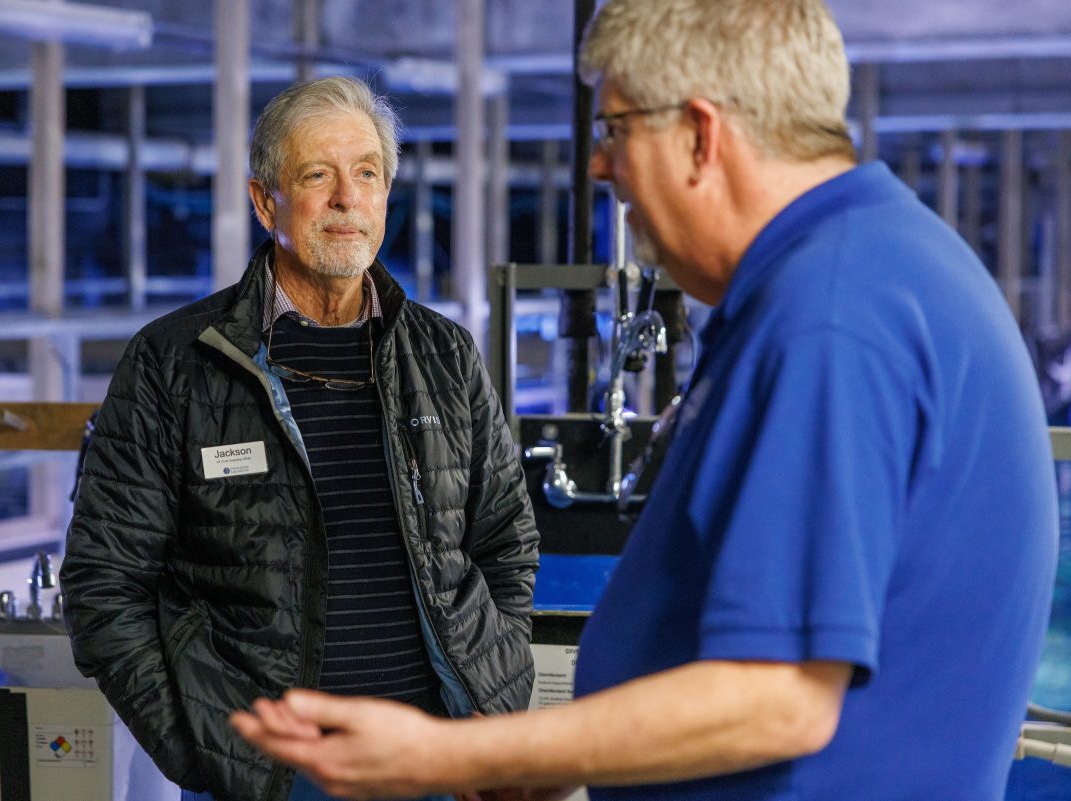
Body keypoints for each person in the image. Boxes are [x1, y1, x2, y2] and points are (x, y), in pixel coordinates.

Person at [228, 2, 1060, 800]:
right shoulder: (866, 268)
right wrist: (565, 752)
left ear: (700, 134)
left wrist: (453, 747)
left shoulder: (831, 315)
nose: (598, 163)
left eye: (616, 128)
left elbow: (779, 698)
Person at [60, 76, 540, 801]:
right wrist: (206, 751)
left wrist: (487, 707)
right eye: (318, 175)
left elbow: (506, 540)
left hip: (433, 761)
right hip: (270, 778)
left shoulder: (445, 356)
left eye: (368, 174)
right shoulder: (177, 362)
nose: (348, 199)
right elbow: (105, 584)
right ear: (265, 201)